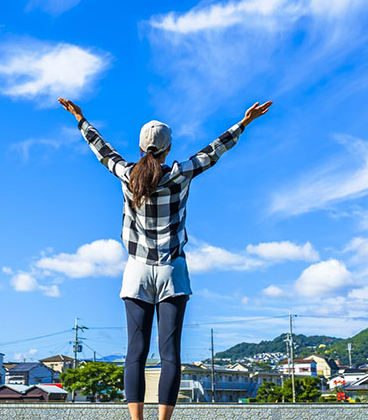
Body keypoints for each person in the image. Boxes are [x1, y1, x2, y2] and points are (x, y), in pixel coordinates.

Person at [58, 97, 272, 420]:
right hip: (173, 270)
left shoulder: (127, 173)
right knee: (169, 352)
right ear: (168, 148)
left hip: (137, 271)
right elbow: (214, 151)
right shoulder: (179, 173)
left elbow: (102, 150)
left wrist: (80, 119)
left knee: (136, 351)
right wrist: (244, 123)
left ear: (141, 148)